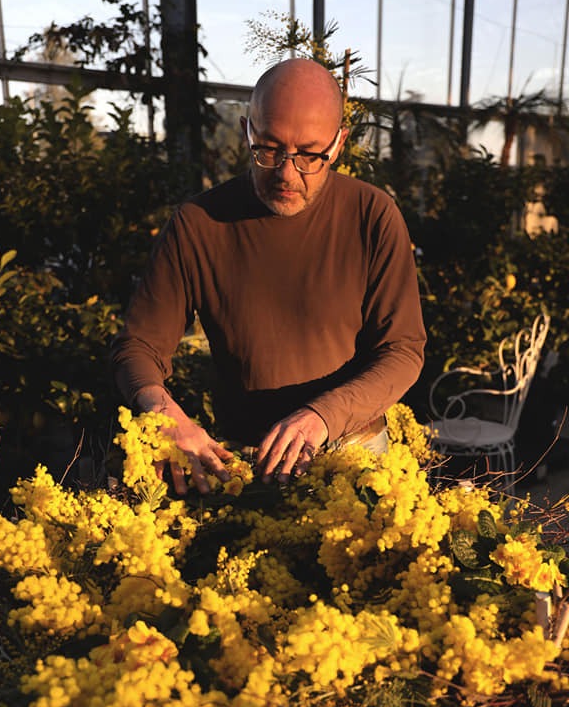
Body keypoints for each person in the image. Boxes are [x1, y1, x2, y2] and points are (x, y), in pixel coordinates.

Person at [112, 58, 426, 495]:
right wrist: (165, 414)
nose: (285, 173)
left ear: (338, 145)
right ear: (246, 130)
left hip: (356, 454)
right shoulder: (199, 224)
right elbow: (139, 345)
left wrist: (322, 416)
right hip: (243, 464)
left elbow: (404, 350)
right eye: (269, 149)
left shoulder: (372, 215)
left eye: (309, 156)